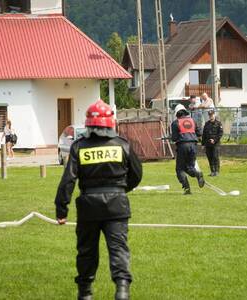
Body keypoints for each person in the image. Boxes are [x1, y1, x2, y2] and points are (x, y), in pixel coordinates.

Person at [54, 99, 142, 300]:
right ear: (110, 123)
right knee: (118, 249)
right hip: (117, 206)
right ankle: (122, 290)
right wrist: (120, 189)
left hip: (88, 207)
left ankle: (85, 292)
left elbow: (68, 181)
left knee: (86, 251)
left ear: (88, 123)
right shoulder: (122, 145)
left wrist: (61, 211)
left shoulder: (79, 147)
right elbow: (136, 174)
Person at [171, 104, 205, 194]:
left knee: (180, 169)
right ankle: (197, 174)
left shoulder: (175, 123)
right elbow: (199, 133)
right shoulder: (193, 121)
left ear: (177, 114)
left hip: (182, 146)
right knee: (189, 167)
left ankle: (187, 188)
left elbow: (174, 138)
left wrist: (173, 136)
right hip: (193, 145)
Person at [202, 110, 223, 176]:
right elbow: (204, 135)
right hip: (208, 144)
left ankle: (217, 171)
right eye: (210, 115)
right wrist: (203, 144)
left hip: (215, 144)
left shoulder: (218, 123)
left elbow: (220, 134)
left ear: (214, 115)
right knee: (210, 157)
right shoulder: (206, 124)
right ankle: (212, 171)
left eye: (212, 115)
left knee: (215, 157)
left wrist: (214, 140)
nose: (211, 116)